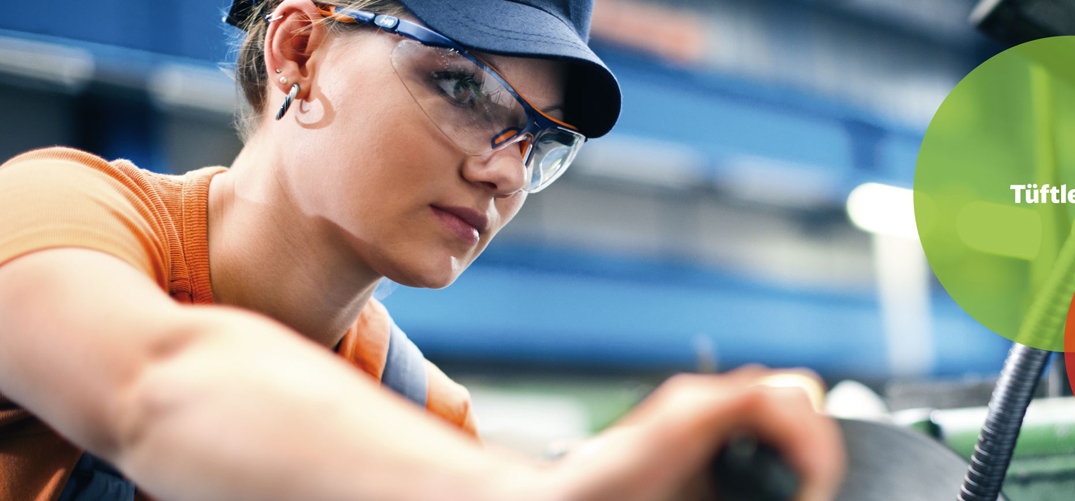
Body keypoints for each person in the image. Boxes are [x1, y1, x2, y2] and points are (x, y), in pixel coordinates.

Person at [0, 0, 844, 499]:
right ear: (299, 50)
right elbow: (156, 388)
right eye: (462, 86)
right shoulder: (58, 216)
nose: (502, 173)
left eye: (540, 141)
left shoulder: (424, 414)